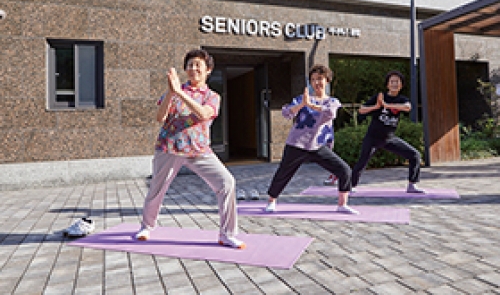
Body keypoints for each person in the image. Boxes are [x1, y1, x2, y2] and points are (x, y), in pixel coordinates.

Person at [135, 49, 245, 249]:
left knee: (226, 182)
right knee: (156, 189)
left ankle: (227, 234)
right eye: (190, 65)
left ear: (208, 70)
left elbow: (203, 114)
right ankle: (146, 227)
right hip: (169, 147)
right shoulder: (174, 90)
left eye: (198, 66)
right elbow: (160, 117)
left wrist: (179, 93)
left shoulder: (212, 96)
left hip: (198, 150)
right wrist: (171, 92)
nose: (193, 69)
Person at [265, 64, 358, 214]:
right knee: (283, 173)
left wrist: (311, 105)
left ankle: (342, 204)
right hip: (297, 144)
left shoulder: (332, 101)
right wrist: (302, 104)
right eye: (313, 79)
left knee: (344, 170)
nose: (316, 82)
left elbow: (329, 114)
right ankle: (271, 201)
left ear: (327, 80)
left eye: (320, 79)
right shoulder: (301, 99)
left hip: (318, 145)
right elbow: (286, 113)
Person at [350, 70, 424, 193]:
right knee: (362, 162)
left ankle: (412, 185)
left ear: (401, 85)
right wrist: (376, 107)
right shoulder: (379, 97)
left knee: (415, 155)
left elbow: (407, 107)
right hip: (373, 138)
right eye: (392, 82)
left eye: (397, 82)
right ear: (387, 85)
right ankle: (350, 186)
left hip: (389, 139)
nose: (394, 84)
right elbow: (361, 110)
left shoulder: (402, 99)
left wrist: (387, 105)